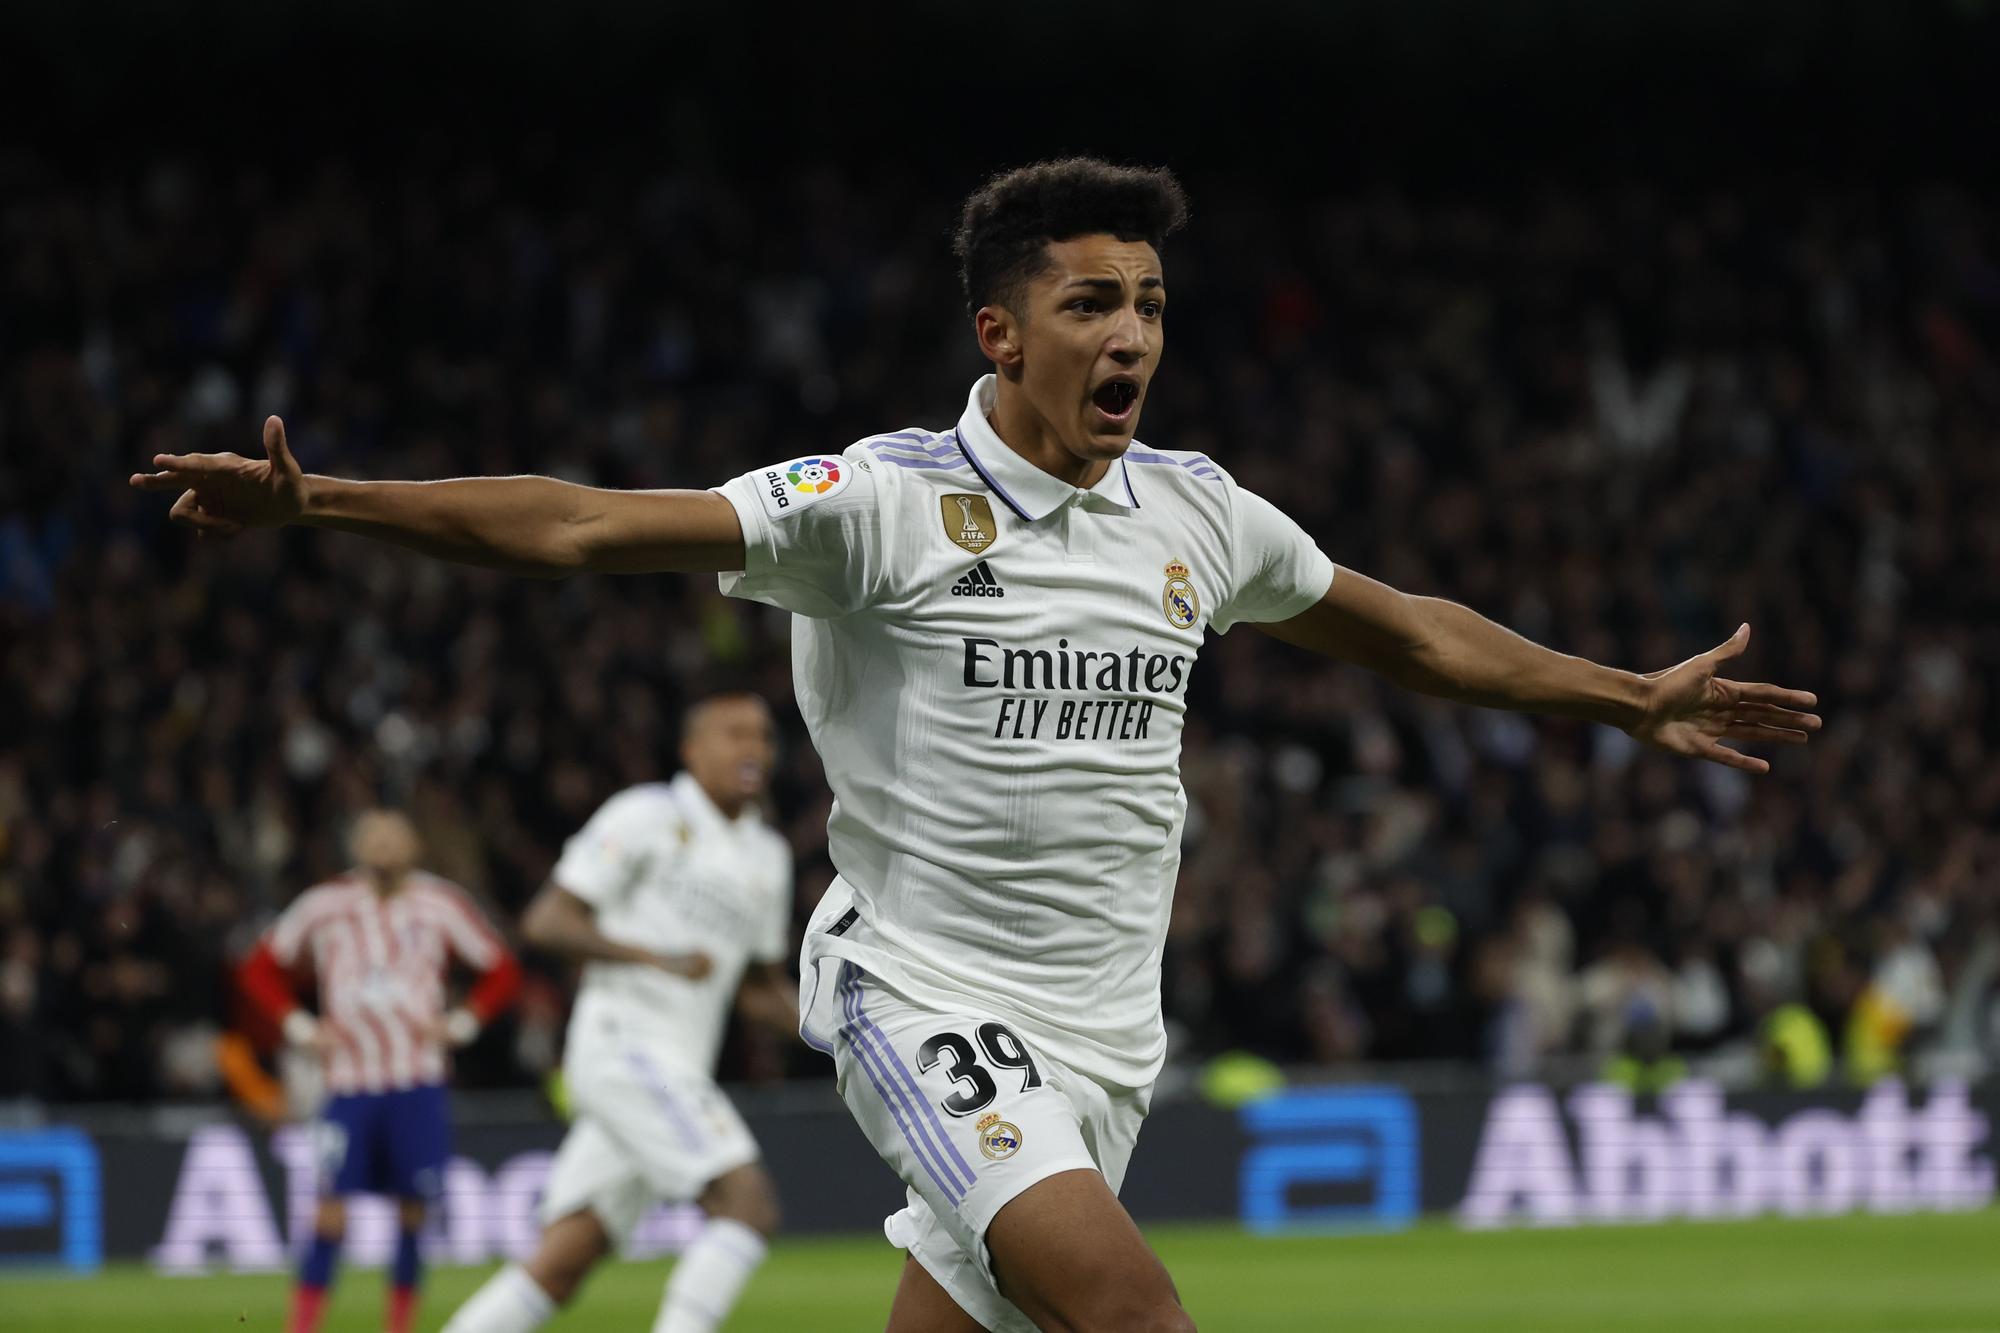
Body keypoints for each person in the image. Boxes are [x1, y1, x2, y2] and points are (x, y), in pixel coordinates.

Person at [136, 157, 1821, 1333]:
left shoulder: (1197, 512)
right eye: (1094, 300)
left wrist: (1626, 695)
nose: (1137, 335)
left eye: (1153, 300)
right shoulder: (876, 504)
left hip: (1109, 1036)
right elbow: (585, 525)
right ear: (1000, 334)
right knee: (1134, 1309)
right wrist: (326, 503)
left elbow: (1408, 628)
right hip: (925, 996)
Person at [442, 691, 796, 1333]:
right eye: (733, 733)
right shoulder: (645, 816)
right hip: (624, 1043)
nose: (753, 748)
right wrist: (649, 955)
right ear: (691, 750)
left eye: (763, 736)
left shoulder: (767, 856)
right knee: (745, 1205)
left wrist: (840, 1032)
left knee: (564, 1259)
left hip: (677, 1065)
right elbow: (547, 920)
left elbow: (756, 986)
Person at [237, 809, 521, 1333]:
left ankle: (399, 1326)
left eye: (395, 837)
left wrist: (462, 1023)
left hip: (418, 1080)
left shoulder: (441, 903)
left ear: (414, 846)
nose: (385, 846)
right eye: (374, 836)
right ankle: (302, 1327)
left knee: (413, 1211)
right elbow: (258, 967)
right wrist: (299, 1026)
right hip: (349, 1083)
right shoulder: (325, 906)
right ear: (356, 846)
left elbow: (501, 968)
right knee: (329, 1212)